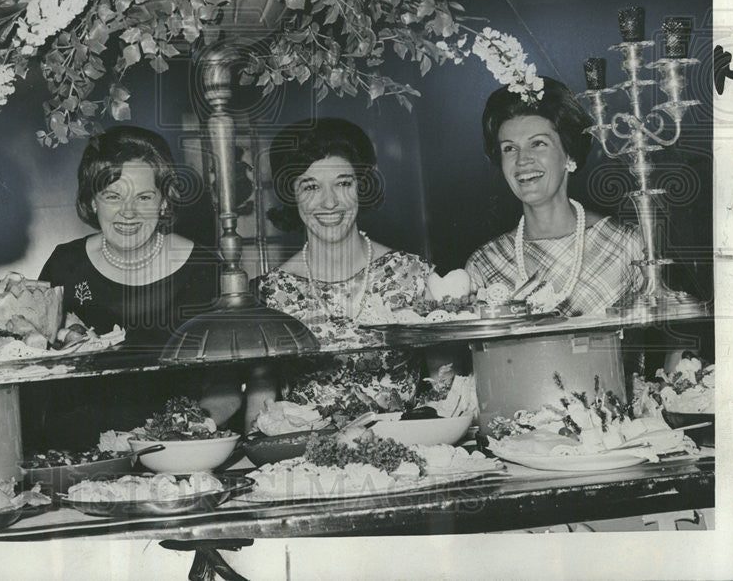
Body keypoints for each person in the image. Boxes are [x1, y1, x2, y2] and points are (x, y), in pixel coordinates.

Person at [32, 126, 229, 448]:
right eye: (113, 196)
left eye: (144, 197)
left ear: (164, 201)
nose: (128, 212)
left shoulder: (204, 268)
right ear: (93, 201)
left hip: (180, 450)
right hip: (81, 454)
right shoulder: (65, 264)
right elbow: (36, 373)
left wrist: (178, 437)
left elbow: (229, 386)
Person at [251, 118, 437, 423]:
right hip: (308, 462)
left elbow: (447, 390)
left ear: (361, 186)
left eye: (343, 183)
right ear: (290, 193)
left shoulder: (413, 275)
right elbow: (260, 412)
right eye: (310, 186)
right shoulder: (269, 295)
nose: (329, 202)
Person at [465, 77, 644, 317]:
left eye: (538, 143)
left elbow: (673, 341)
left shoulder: (626, 245)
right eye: (509, 148)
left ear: (569, 156)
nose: (522, 160)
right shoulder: (485, 264)